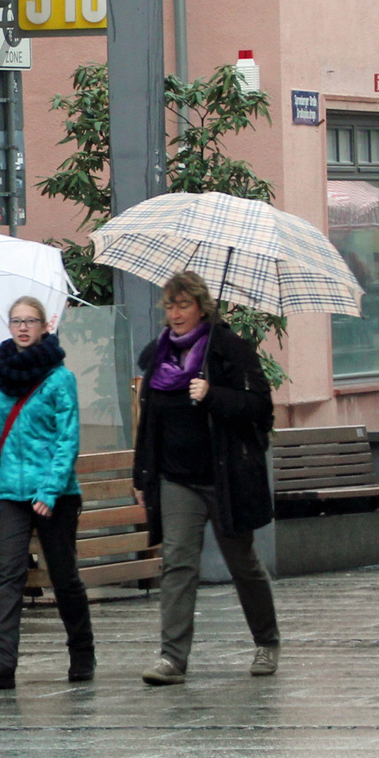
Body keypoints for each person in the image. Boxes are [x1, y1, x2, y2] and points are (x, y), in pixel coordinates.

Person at [133, 271, 280, 686]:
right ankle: (172, 658)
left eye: (183, 305)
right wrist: (142, 474)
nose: (175, 314)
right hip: (176, 477)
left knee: (243, 564)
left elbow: (260, 409)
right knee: (177, 563)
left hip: (225, 477)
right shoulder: (158, 355)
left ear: (202, 306)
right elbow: (149, 423)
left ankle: (267, 641)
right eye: (169, 305)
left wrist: (212, 394)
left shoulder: (230, 349)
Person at [0, 297, 94, 689]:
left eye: (31, 321)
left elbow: (68, 439)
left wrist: (51, 489)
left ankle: (81, 650)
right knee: (8, 575)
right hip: (9, 493)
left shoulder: (61, 379)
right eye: (16, 321)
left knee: (63, 575)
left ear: (44, 325)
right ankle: (1, 664)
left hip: (55, 493)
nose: (23, 328)